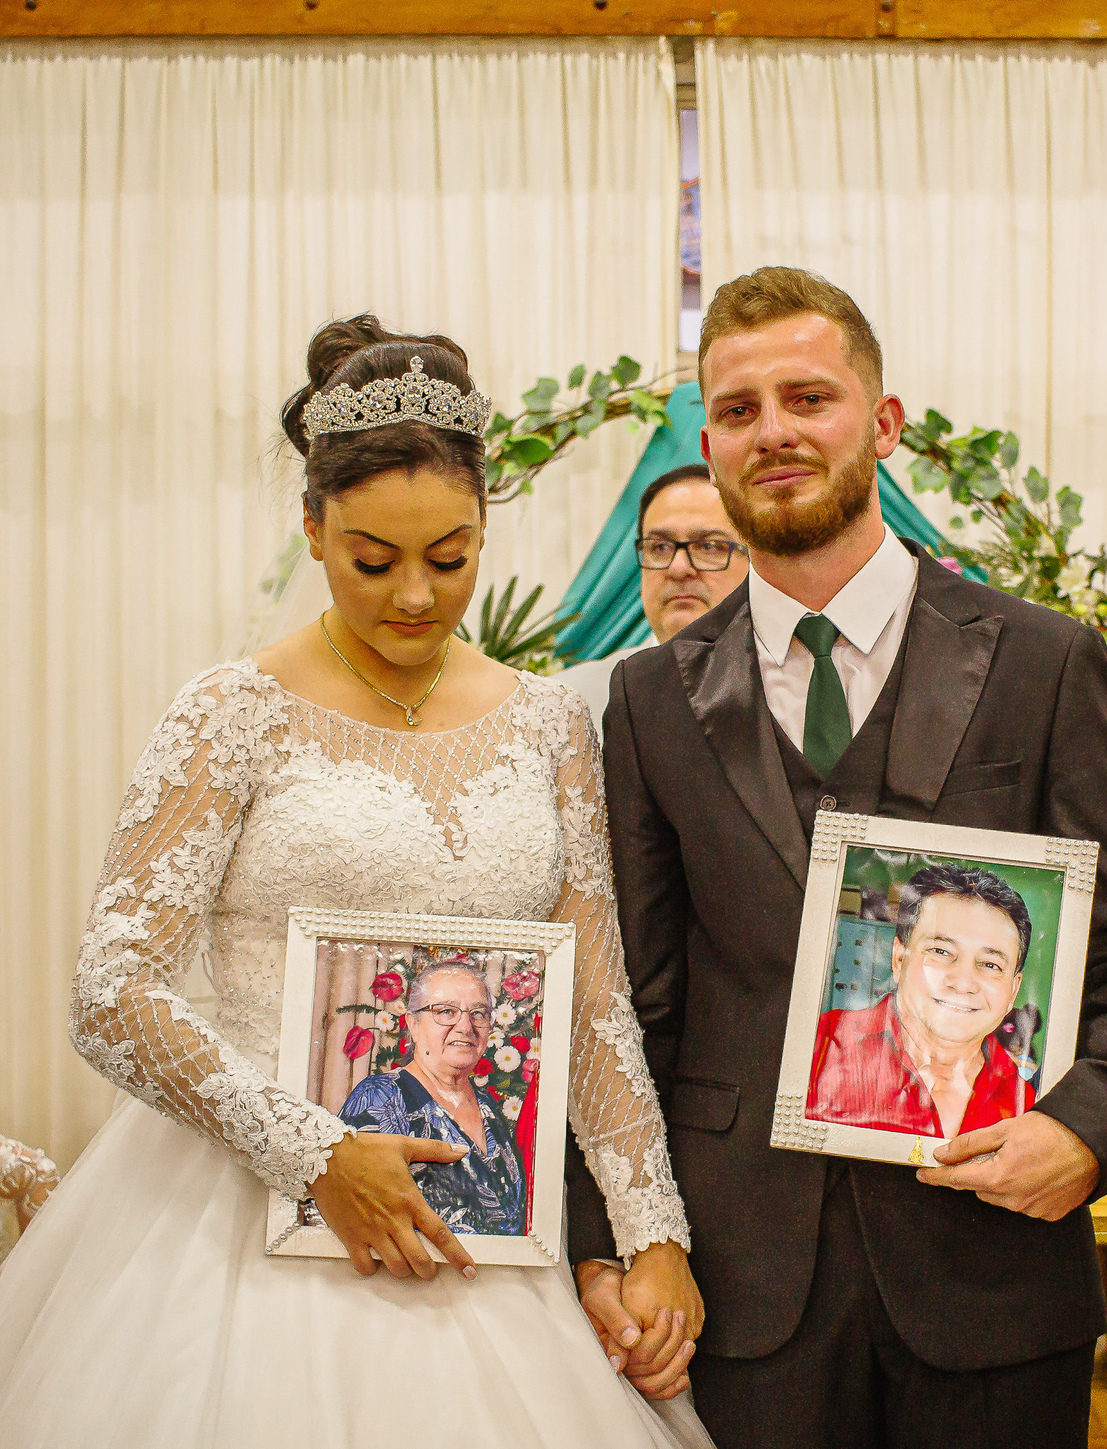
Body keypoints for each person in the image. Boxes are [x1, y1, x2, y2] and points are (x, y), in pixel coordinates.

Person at [0, 316, 711, 1449]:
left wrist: (652, 1234)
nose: (416, 596)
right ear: (312, 528)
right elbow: (112, 990)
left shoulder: (548, 725)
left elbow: (592, 1006)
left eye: (452, 557)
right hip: (233, 1222)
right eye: (373, 560)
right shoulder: (233, 711)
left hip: (484, 1222)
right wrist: (314, 1151)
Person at [567, 266, 1107, 1448]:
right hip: (739, 1285)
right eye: (740, 410)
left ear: (884, 423)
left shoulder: (1043, 662)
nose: (774, 432)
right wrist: (606, 1240)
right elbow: (632, 1004)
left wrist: (1085, 1129)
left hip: (992, 1274)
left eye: (808, 397)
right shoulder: (650, 700)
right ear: (711, 444)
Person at [807, 865, 1035, 1138]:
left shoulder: (1026, 1106)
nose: (963, 984)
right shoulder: (813, 1050)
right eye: (941, 951)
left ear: (1013, 990)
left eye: (990, 964)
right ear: (899, 959)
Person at [339, 960, 527, 1237]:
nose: (465, 1026)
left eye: (478, 1014)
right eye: (446, 1011)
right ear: (413, 1024)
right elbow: (357, 1218)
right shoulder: (380, 1098)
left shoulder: (489, 1107)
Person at [559, 465, 748, 734]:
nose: (678, 568)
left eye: (708, 546)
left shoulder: (791, 691)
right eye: (660, 547)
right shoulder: (570, 702)